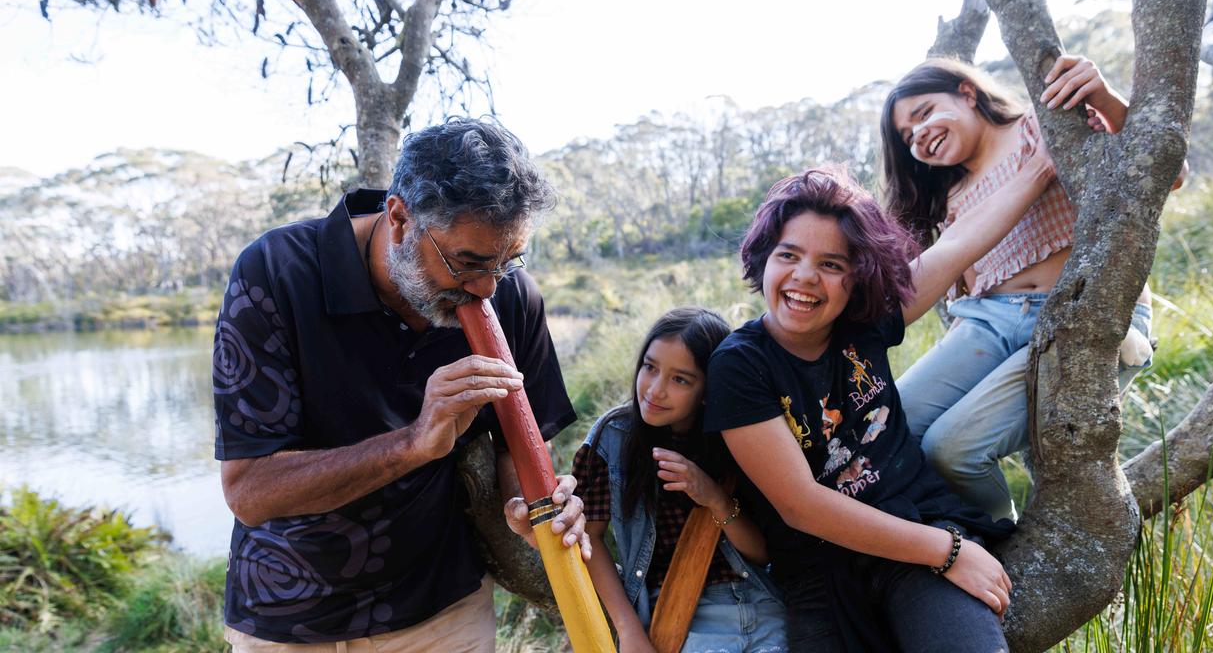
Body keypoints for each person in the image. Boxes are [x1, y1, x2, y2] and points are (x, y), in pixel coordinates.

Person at [212, 118, 588, 652]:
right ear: (399, 217)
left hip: (443, 610)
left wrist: (536, 509)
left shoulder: (509, 295)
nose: (486, 288)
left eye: (508, 261)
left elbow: (518, 454)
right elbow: (249, 491)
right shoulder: (276, 273)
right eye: (467, 262)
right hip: (289, 617)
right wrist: (414, 443)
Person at [704, 166, 1059, 651]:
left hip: (915, 527)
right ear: (763, 259)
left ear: (857, 278)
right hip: (821, 571)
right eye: (788, 255)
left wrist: (1039, 168)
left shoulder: (863, 322)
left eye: (831, 264)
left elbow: (960, 245)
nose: (804, 277)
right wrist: (952, 553)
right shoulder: (740, 366)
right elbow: (801, 506)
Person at [881, 55, 1173, 522]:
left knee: (952, 449)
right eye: (907, 137)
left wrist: (1103, 96)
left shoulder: (1044, 125)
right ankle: (962, 540)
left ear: (967, 92)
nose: (919, 135)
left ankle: (1001, 543)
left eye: (923, 114)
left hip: (1076, 313)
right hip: (988, 324)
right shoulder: (947, 193)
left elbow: (1165, 173)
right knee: (889, 426)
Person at [509, 307, 787, 653]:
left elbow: (762, 555)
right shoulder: (612, 439)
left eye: (680, 379)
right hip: (680, 619)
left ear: (708, 389)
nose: (655, 390)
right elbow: (586, 542)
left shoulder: (738, 435)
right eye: (650, 367)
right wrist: (629, 631)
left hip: (765, 606)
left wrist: (714, 498)